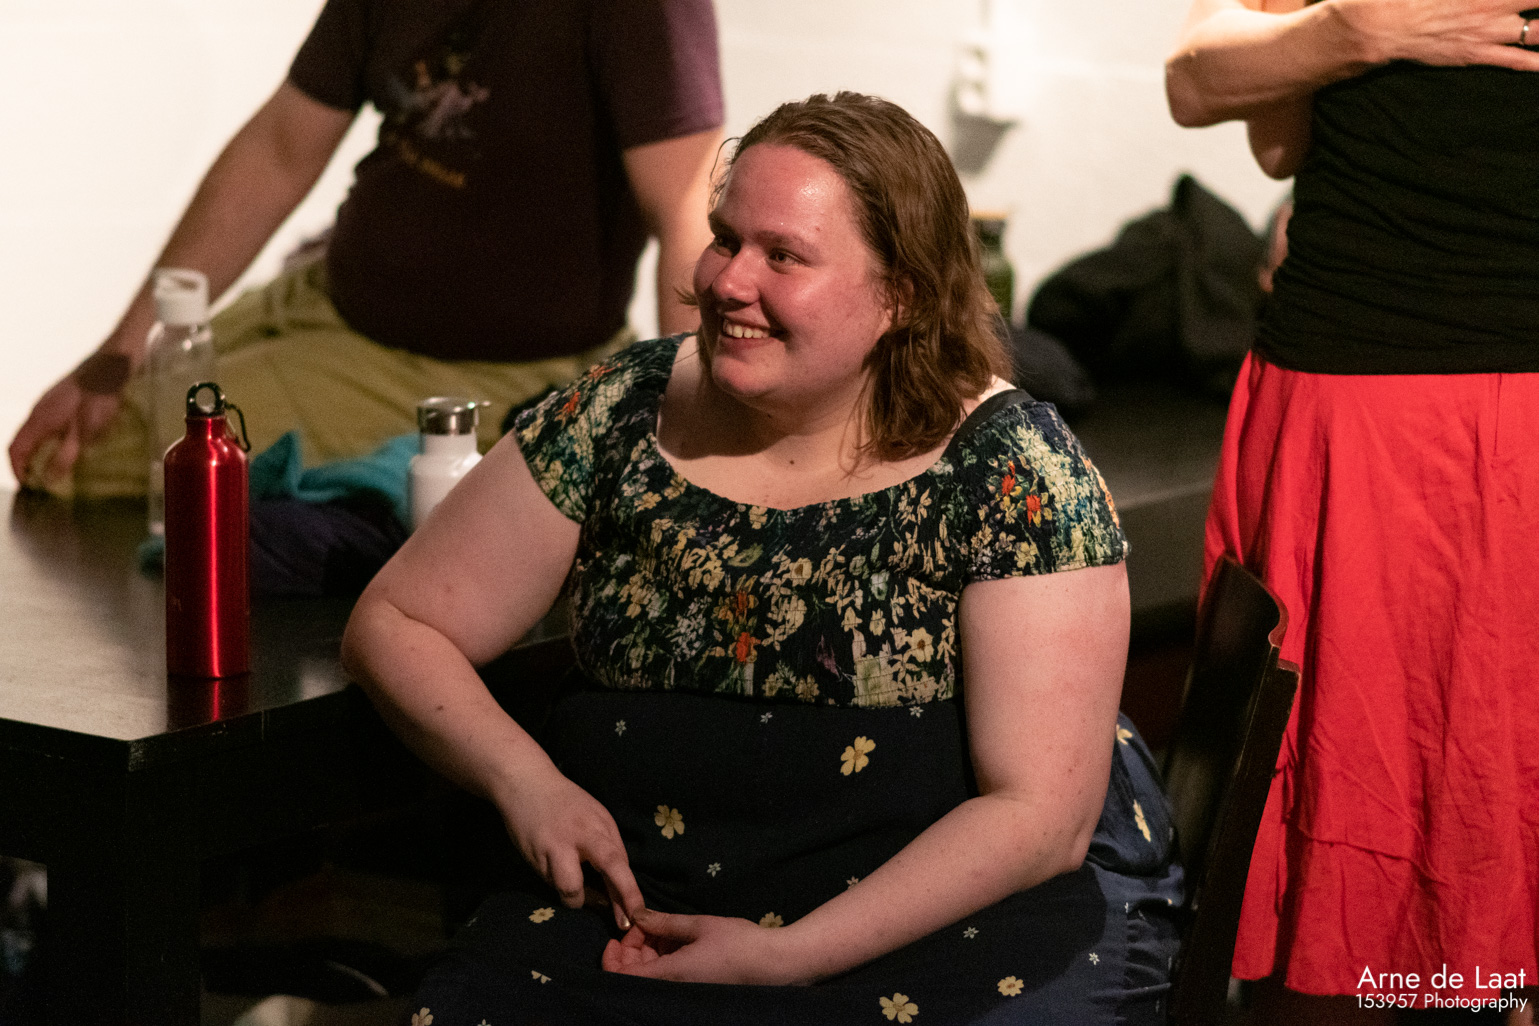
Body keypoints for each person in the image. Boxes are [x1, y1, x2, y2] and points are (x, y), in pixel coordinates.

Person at [341, 92, 1182, 1024]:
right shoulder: (623, 411)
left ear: (901, 294)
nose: (727, 280)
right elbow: (398, 620)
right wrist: (524, 782)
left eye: (783, 255)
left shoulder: (1010, 469)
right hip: (638, 911)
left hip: (937, 925)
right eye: (724, 239)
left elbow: (1041, 817)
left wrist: (787, 958)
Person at [1168, 2, 1539, 1022]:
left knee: (1467, 795)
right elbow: (1207, 90)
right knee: (1370, 792)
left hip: (1430, 405)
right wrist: (1362, 31)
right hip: (1362, 393)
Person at [9, 0, 724, 497]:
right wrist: (123, 346)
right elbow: (279, 151)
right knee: (84, 418)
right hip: (326, 295)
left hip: (475, 369)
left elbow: (687, 214)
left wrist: (682, 455)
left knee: (78, 459)